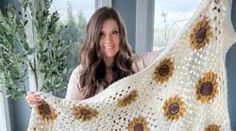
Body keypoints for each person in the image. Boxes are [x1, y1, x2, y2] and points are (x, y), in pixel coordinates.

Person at [26, 7, 163, 106]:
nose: (109, 40)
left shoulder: (137, 64)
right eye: (101, 34)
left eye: (114, 32)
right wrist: (42, 102)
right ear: (93, 37)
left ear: (121, 36)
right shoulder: (80, 74)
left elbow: (170, 52)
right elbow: (66, 112)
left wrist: (184, 36)